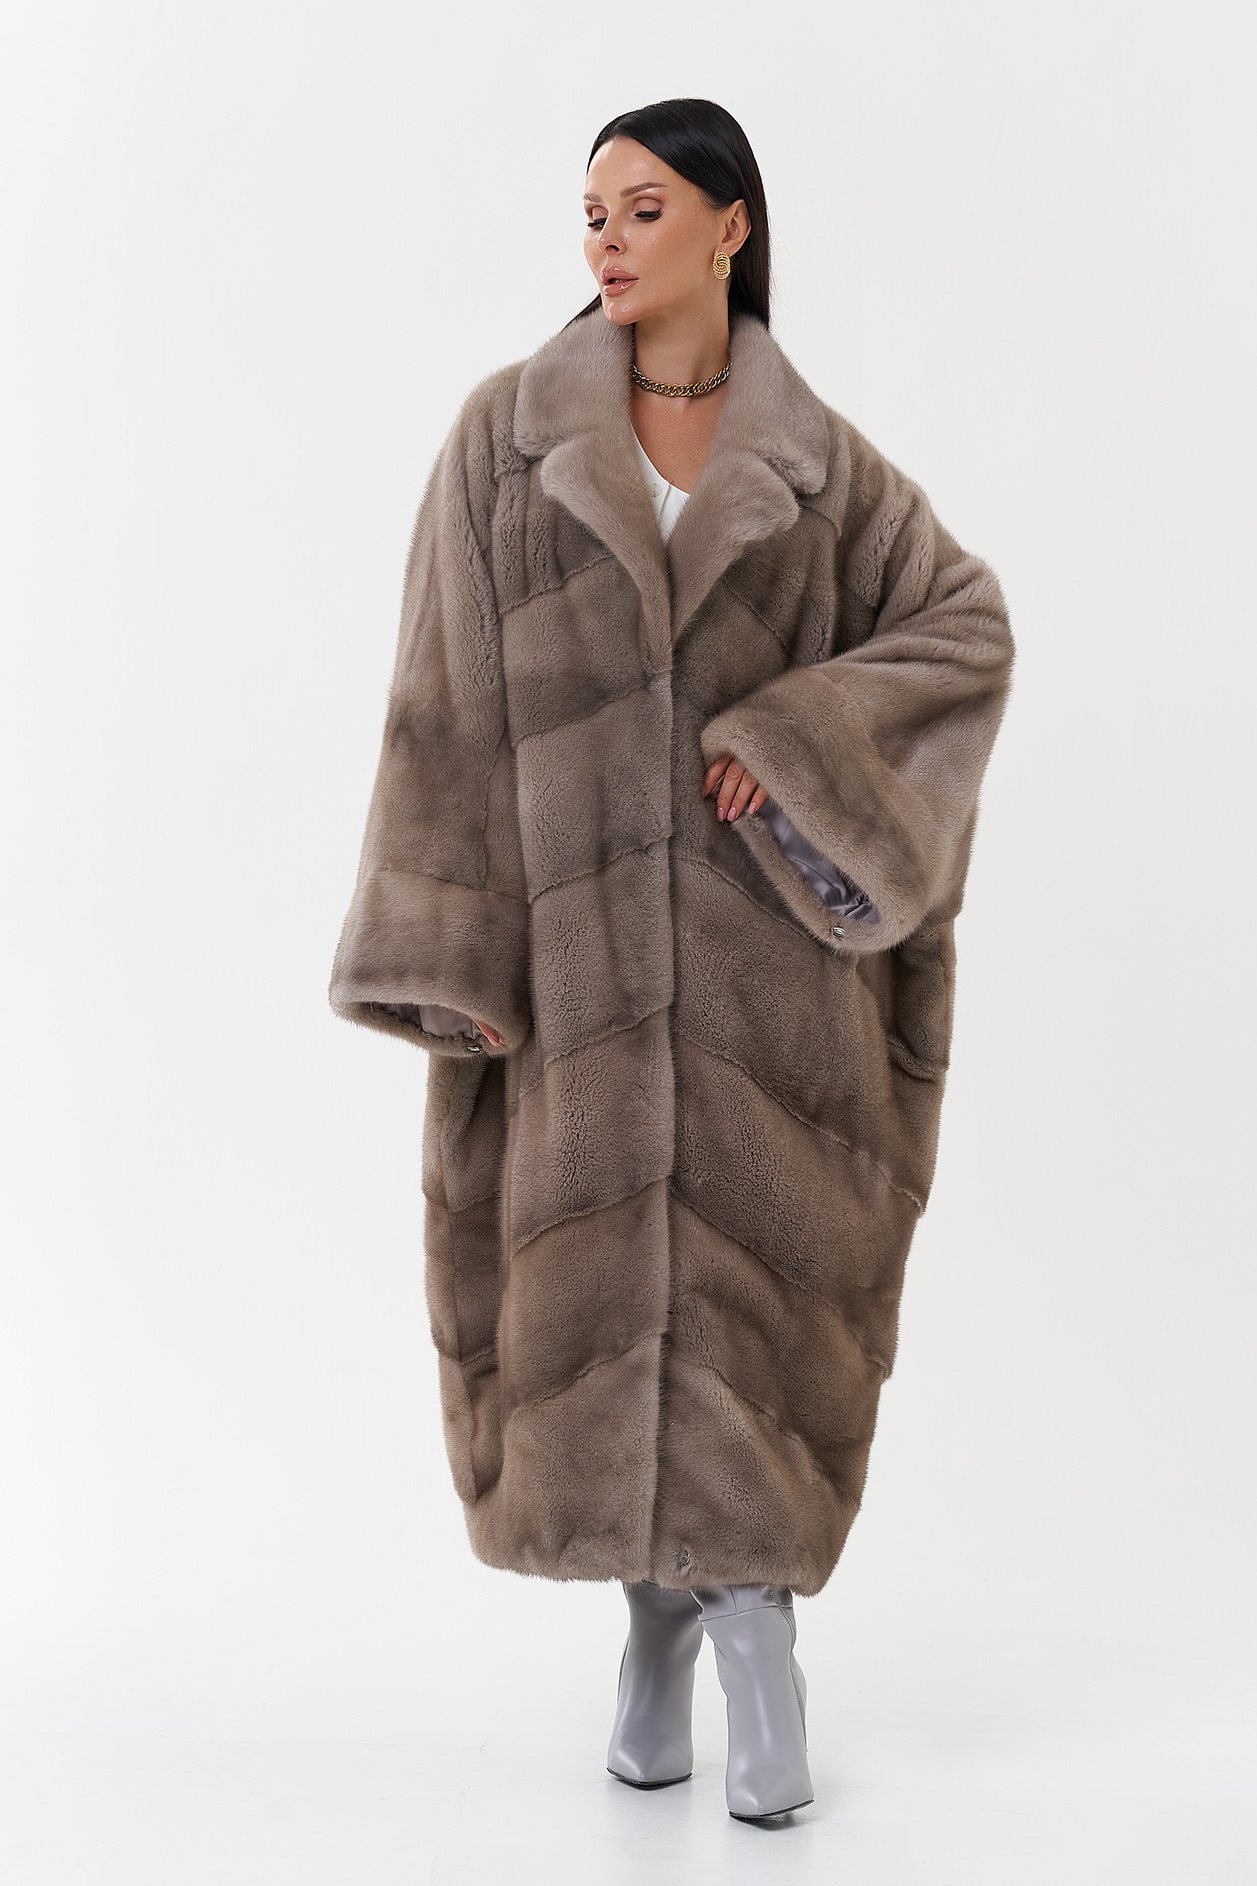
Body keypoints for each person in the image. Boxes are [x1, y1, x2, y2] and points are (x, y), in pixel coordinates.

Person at [329, 97, 1014, 1823]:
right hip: (569, 988)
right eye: (591, 211)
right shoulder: (506, 442)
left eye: (642, 207)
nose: (606, 238)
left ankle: (755, 1638)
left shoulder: (826, 472)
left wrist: (796, 750)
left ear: (730, 225)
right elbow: (440, 702)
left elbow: (963, 629)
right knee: (586, 1307)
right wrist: (445, 950)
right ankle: (649, 1630)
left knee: (753, 1321)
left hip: (768, 998)